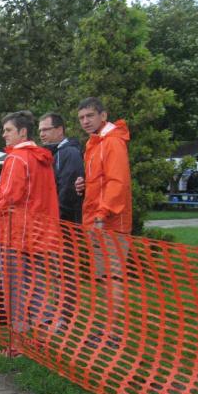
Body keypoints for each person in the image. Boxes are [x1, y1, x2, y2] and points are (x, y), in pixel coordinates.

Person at [0, 111, 59, 356]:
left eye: (8, 130)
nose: (4, 135)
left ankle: (18, 344)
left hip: (15, 235)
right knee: (37, 288)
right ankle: (42, 339)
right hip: (40, 234)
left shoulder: (16, 158)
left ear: (23, 132)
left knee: (14, 290)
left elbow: (8, 197)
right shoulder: (42, 158)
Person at [73, 97, 132, 342]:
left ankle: (114, 332)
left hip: (110, 222)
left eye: (90, 116)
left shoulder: (112, 142)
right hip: (96, 220)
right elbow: (100, 180)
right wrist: (83, 184)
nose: (85, 121)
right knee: (103, 277)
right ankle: (108, 329)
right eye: (81, 118)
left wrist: (101, 213)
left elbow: (118, 182)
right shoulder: (94, 143)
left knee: (112, 277)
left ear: (103, 115)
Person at [39, 112, 84, 223]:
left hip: (65, 223)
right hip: (52, 220)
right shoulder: (53, 153)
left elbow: (68, 192)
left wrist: (57, 221)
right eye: (40, 131)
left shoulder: (69, 153)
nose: (41, 134)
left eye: (46, 130)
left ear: (59, 130)